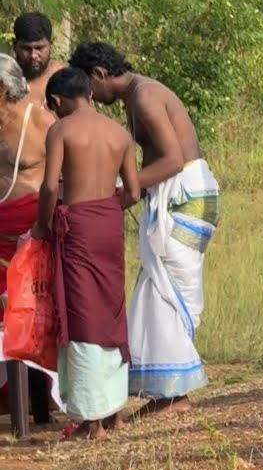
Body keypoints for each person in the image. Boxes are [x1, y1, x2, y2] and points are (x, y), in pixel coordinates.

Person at [67, 41, 222, 418]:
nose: (89, 95)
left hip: (183, 196)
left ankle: (177, 395)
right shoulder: (136, 96)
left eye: (88, 86)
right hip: (180, 198)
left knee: (164, 293)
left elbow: (171, 160)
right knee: (158, 290)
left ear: (99, 75)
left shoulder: (145, 97)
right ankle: (168, 392)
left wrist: (120, 195)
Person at [32, 66, 139, 439]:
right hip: (108, 224)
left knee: (82, 315)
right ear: (90, 95)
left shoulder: (61, 130)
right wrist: (105, 210)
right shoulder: (120, 133)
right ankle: (116, 411)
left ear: (58, 101)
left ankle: (92, 420)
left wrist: (41, 227)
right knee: (110, 308)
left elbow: (49, 188)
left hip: (77, 225)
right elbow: (134, 192)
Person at [0, 52, 58, 425]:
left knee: (28, 315)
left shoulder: (40, 120)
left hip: (26, 236)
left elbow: (61, 177)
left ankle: (38, 406)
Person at [12, 12, 67, 111]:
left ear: (51, 45)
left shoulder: (67, 79)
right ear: (14, 46)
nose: (33, 55)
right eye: (26, 48)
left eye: (39, 48)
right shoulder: (4, 77)